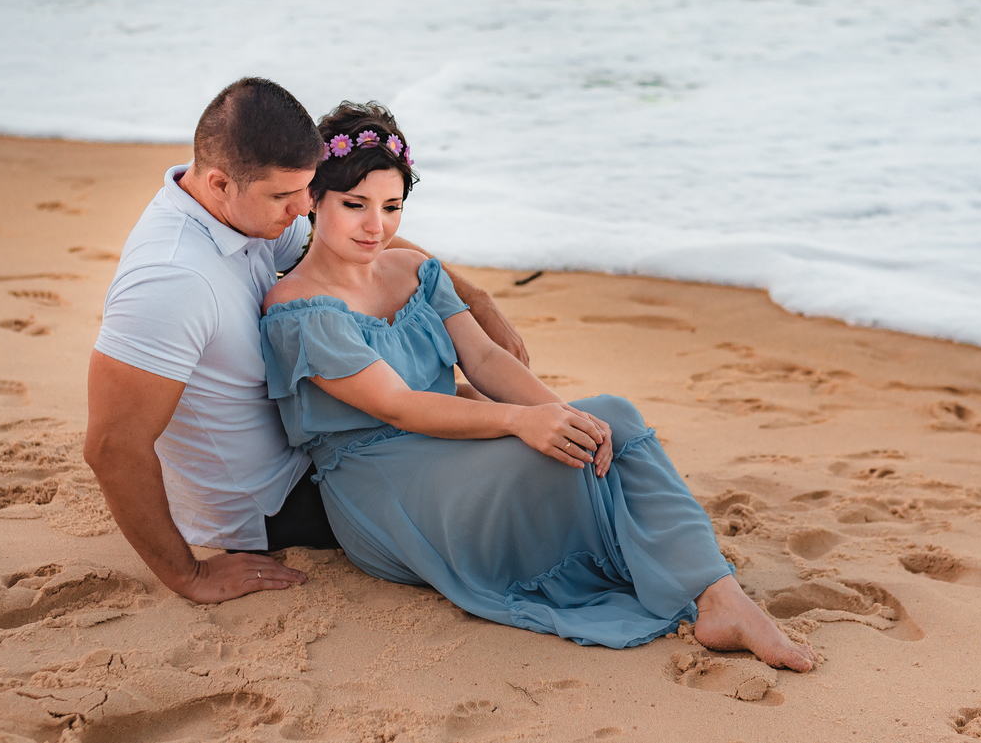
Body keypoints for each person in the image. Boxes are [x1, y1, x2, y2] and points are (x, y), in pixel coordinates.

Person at [259, 101, 815, 668]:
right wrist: (521, 420)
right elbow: (398, 406)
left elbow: (483, 358)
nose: (376, 226)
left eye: (392, 206)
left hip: (453, 445)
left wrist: (564, 416)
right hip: (384, 486)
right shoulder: (298, 307)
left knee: (611, 419)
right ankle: (701, 584)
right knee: (555, 454)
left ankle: (719, 595)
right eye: (355, 205)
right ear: (313, 198)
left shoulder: (411, 271)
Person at [83, 78, 527, 604]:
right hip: (276, 499)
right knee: (506, 464)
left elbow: (354, 242)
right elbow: (112, 445)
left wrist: (474, 298)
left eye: (307, 188)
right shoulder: (172, 280)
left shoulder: (248, 209)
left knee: (468, 400)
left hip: (315, 441)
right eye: (285, 197)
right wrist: (188, 576)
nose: (304, 208)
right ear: (220, 184)